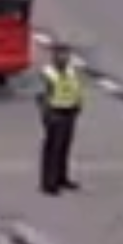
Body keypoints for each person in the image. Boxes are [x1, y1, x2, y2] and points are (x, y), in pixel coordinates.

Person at [36, 41, 84, 195]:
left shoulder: (71, 71)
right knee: (53, 149)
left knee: (64, 147)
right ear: (54, 56)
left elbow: (76, 88)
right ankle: (49, 184)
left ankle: (62, 178)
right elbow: (41, 96)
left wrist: (78, 106)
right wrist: (47, 115)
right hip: (55, 113)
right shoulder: (48, 73)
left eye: (66, 54)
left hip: (70, 111)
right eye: (61, 54)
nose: (64, 57)